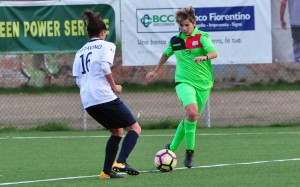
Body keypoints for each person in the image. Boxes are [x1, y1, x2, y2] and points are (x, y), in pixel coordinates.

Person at [145, 6, 218, 168]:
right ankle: (190, 152)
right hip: (183, 82)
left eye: (187, 25)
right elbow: (165, 54)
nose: (184, 29)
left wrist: (204, 56)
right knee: (192, 113)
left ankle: (170, 148)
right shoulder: (175, 41)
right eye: (182, 26)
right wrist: (155, 71)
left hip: (204, 84)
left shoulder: (202, 37)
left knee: (190, 118)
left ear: (193, 23)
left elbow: (214, 53)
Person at [72, 9, 141, 179]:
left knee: (117, 132)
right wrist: (114, 86)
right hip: (103, 96)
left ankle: (106, 172)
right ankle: (121, 162)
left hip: (88, 100)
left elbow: (78, 80)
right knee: (135, 128)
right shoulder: (107, 45)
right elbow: (104, 67)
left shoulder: (80, 51)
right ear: (103, 33)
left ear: (88, 33)